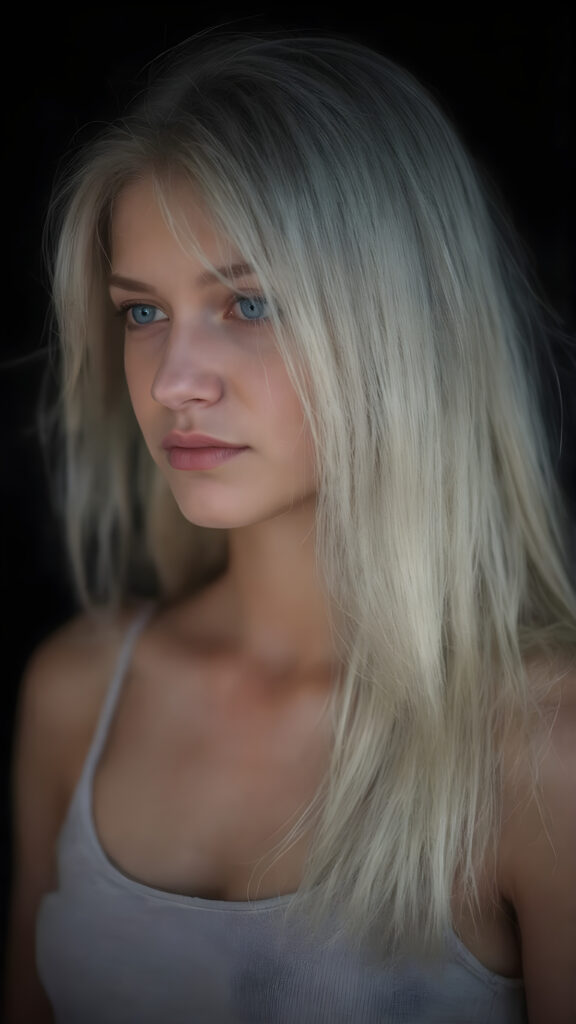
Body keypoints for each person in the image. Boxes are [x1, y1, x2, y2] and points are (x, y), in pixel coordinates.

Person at [3, 27, 576, 1024]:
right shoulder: (76, 694)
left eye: (248, 301)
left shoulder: (541, 753)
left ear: (403, 320)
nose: (176, 381)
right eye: (142, 313)